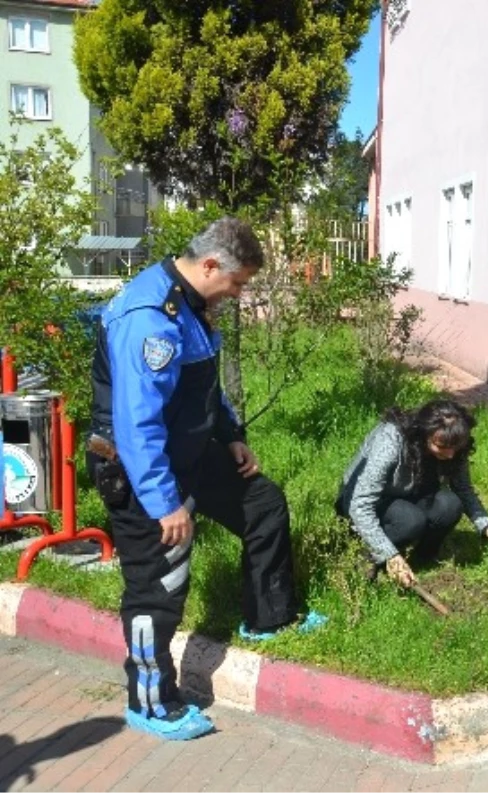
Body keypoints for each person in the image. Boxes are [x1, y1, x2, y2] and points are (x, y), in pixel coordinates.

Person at [87, 217, 325, 742]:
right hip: (141, 468)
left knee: (262, 503)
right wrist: (164, 503)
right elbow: (136, 425)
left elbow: (203, 385)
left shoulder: (190, 303)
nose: (239, 295)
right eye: (238, 284)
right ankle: (150, 701)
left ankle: (268, 616)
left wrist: (230, 432)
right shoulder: (150, 318)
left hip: (190, 452)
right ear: (211, 265)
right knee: (160, 585)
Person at [337, 399, 488, 585]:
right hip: (370, 499)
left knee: (450, 505)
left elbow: (463, 489)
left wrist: (487, 527)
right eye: (442, 447)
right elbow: (360, 503)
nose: (450, 454)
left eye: (454, 448)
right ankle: (370, 556)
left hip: (410, 491)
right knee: (410, 520)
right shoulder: (392, 438)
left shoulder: (453, 444)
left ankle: (420, 558)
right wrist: (389, 555)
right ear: (424, 434)